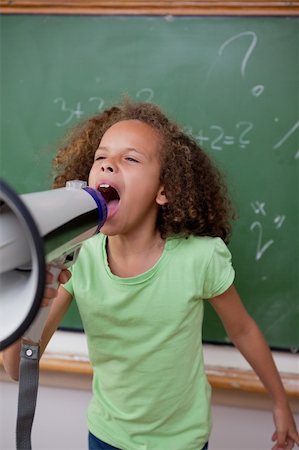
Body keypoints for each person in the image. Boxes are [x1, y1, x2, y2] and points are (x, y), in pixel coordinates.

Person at [3, 99, 299, 450]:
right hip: (106, 436)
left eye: (130, 159)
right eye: (101, 158)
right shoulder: (78, 259)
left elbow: (243, 329)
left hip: (183, 441)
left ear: (164, 190)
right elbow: (16, 369)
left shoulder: (200, 257)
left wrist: (280, 402)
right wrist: (36, 298)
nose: (109, 166)